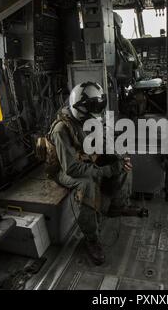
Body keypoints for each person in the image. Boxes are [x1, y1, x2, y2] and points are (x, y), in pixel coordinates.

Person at [47, 82, 148, 265]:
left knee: (121, 161)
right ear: (81, 107)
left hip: (85, 160)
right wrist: (106, 170)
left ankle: (116, 206)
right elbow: (72, 168)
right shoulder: (61, 129)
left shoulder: (87, 118)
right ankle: (91, 239)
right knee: (87, 185)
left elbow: (100, 140)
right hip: (64, 169)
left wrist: (115, 157)